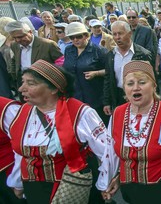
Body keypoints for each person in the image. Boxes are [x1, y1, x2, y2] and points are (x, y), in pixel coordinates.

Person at [2, 60, 107, 204]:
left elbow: (106, 151)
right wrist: (17, 182)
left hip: (71, 187)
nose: (21, 89)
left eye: (31, 84)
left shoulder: (80, 112)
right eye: (22, 82)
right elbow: (21, 155)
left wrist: (105, 183)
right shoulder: (22, 113)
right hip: (35, 190)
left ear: (54, 89)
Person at [96, 61, 161, 204]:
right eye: (130, 83)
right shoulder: (118, 114)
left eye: (142, 82)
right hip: (131, 193)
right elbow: (110, 152)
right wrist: (108, 180)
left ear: (153, 85)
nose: (135, 88)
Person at [103, 21, 152, 116]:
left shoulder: (142, 54)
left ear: (129, 34)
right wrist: (107, 102)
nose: (117, 37)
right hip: (118, 97)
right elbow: (108, 79)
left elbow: (151, 81)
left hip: (138, 97)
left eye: (120, 33)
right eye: (114, 34)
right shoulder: (110, 55)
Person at [63, 22, 108, 124]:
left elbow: (110, 71)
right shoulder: (68, 50)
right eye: (71, 37)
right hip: (75, 97)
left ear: (86, 36)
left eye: (78, 36)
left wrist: (97, 73)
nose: (75, 40)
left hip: (95, 97)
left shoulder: (99, 51)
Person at [6, 21, 63, 91]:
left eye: (20, 37)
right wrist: (14, 76)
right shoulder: (14, 45)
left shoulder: (48, 45)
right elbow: (15, 60)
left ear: (30, 32)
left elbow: (61, 65)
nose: (18, 40)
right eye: (14, 38)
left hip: (45, 88)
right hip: (24, 87)